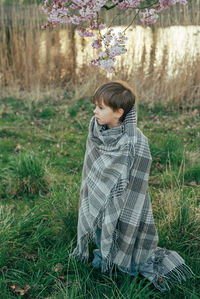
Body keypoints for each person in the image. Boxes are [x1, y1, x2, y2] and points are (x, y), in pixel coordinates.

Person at [72, 80, 193, 291]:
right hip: (98, 193)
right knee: (102, 227)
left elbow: (139, 175)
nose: (95, 111)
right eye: (96, 106)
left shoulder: (136, 141)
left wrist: (119, 194)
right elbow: (92, 167)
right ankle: (105, 253)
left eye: (101, 107)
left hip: (127, 197)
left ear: (119, 112)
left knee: (123, 228)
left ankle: (122, 261)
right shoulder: (96, 133)